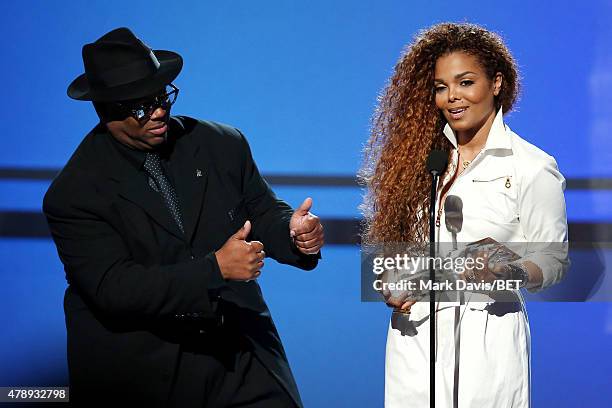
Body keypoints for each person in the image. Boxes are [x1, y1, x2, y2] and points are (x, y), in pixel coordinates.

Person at [43, 27, 324, 407]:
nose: (159, 111)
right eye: (141, 106)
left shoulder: (220, 144)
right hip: (143, 371)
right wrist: (215, 269)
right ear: (106, 110)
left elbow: (259, 211)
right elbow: (114, 288)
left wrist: (291, 232)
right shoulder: (75, 193)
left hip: (239, 356)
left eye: (162, 96)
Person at [359, 23, 568, 407]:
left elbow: (553, 260)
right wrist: (390, 279)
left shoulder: (532, 167)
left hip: (487, 337)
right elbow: (397, 254)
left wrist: (513, 271)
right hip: (415, 335)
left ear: (497, 83)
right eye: (441, 87)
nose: (451, 97)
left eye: (465, 82)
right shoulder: (420, 163)